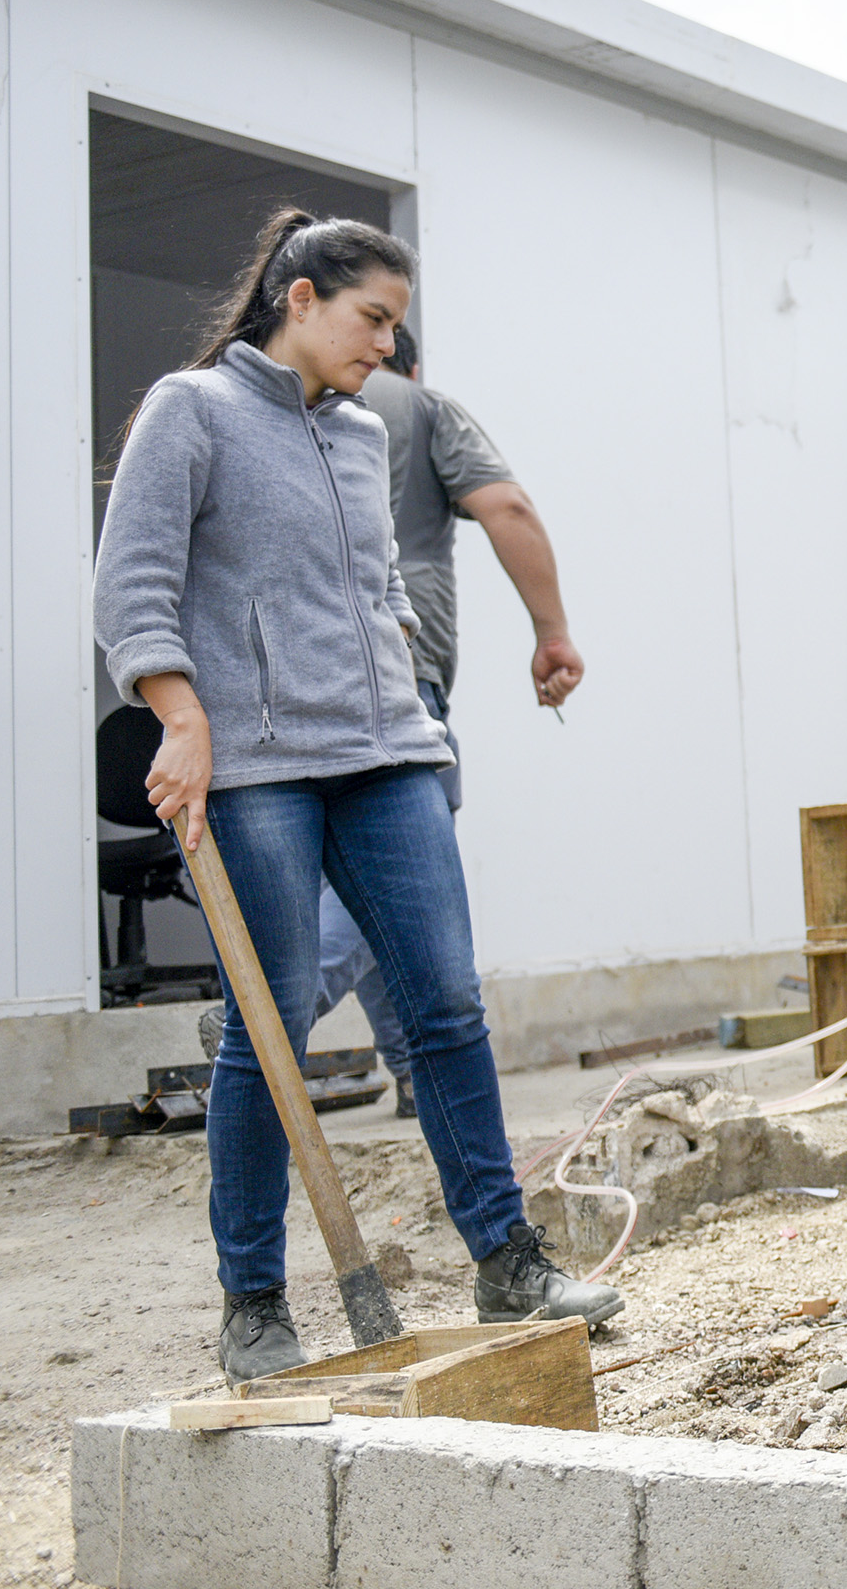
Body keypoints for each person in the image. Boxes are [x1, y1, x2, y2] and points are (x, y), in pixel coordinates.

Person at [95, 210, 624, 1381]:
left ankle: (508, 1260)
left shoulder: (355, 435)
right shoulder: (193, 410)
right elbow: (131, 581)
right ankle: (254, 1301)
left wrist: (419, 724)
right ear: (298, 296)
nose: (387, 342)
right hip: (258, 773)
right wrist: (183, 715)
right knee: (268, 1030)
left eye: (393, 321)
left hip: (387, 754)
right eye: (370, 316)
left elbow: (379, 595)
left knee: (444, 1008)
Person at [298, 327, 584, 1115]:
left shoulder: (278, 402)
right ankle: (272, 1012)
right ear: (402, 358)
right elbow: (507, 506)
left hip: (288, 675)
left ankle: (414, 1072)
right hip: (397, 668)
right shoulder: (418, 407)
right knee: (398, 873)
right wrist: (551, 634)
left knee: (356, 864)